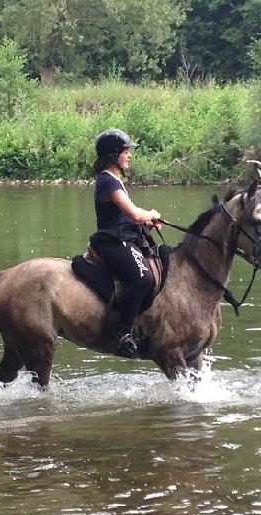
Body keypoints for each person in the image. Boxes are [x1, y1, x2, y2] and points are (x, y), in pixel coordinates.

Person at [90, 128, 163, 358]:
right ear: (113, 155)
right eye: (125, 152)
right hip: (113, 241)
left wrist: (148, 222)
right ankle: (122, 332)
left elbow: (126, 216)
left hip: (124, 237)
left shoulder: (114, 179)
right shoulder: (106, 181)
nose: (129, 156)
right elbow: (132, 213)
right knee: (143, 278)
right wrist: (149, 214)